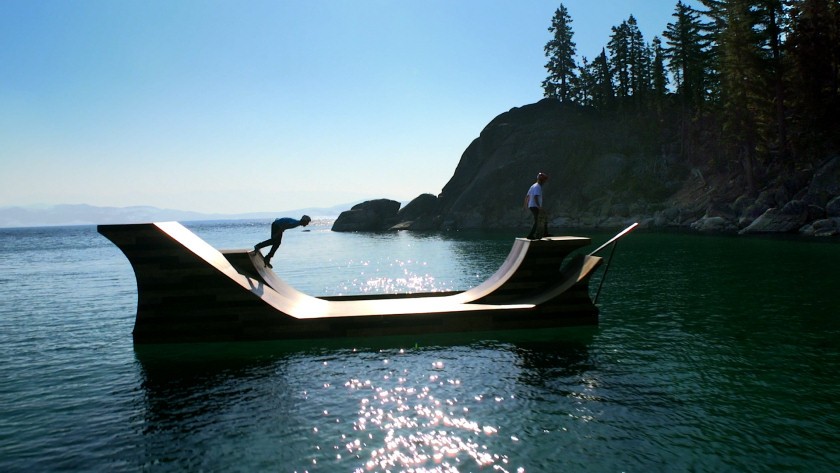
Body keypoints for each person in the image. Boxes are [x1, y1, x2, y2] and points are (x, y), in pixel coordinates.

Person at [524, 172, 549, 239]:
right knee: (537, 221)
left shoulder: (533, 186)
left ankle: (545, 233)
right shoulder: (537, 187)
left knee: (544, 217)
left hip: (532, 205)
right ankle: (530, 235)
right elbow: (535, 197)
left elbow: (527, 196)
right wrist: (539, 206)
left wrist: (526, 205)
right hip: (535, 206)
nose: (545, 181)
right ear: (542, 180)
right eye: (544, 180)